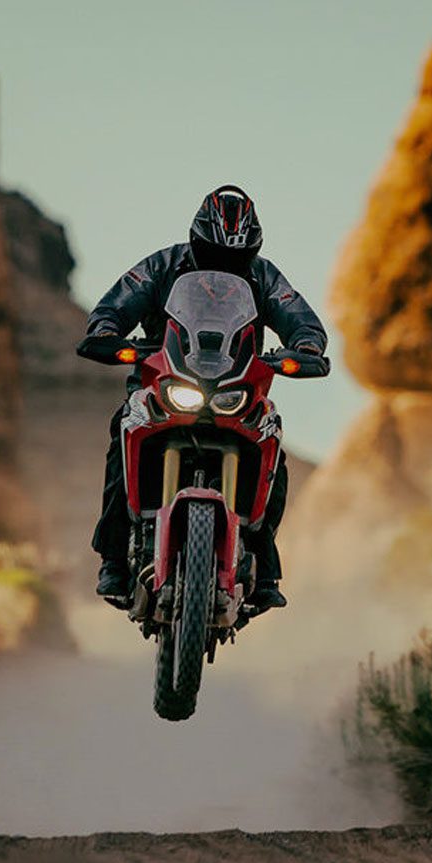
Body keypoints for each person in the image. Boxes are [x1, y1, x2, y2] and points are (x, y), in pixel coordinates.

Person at [77, 185, 327, 612]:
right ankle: (114, 559)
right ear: (196, 241)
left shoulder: (264, 277)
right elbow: (120, 301)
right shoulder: (161, 266)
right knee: (125, 426)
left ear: (251, 252)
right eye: (214, 255)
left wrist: (305, 346)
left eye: (235, 259)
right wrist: (106, 330)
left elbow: (298, 315)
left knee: (272, 441)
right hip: (163, 383)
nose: (224, 266)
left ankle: (263, 564)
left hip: (237, 387)